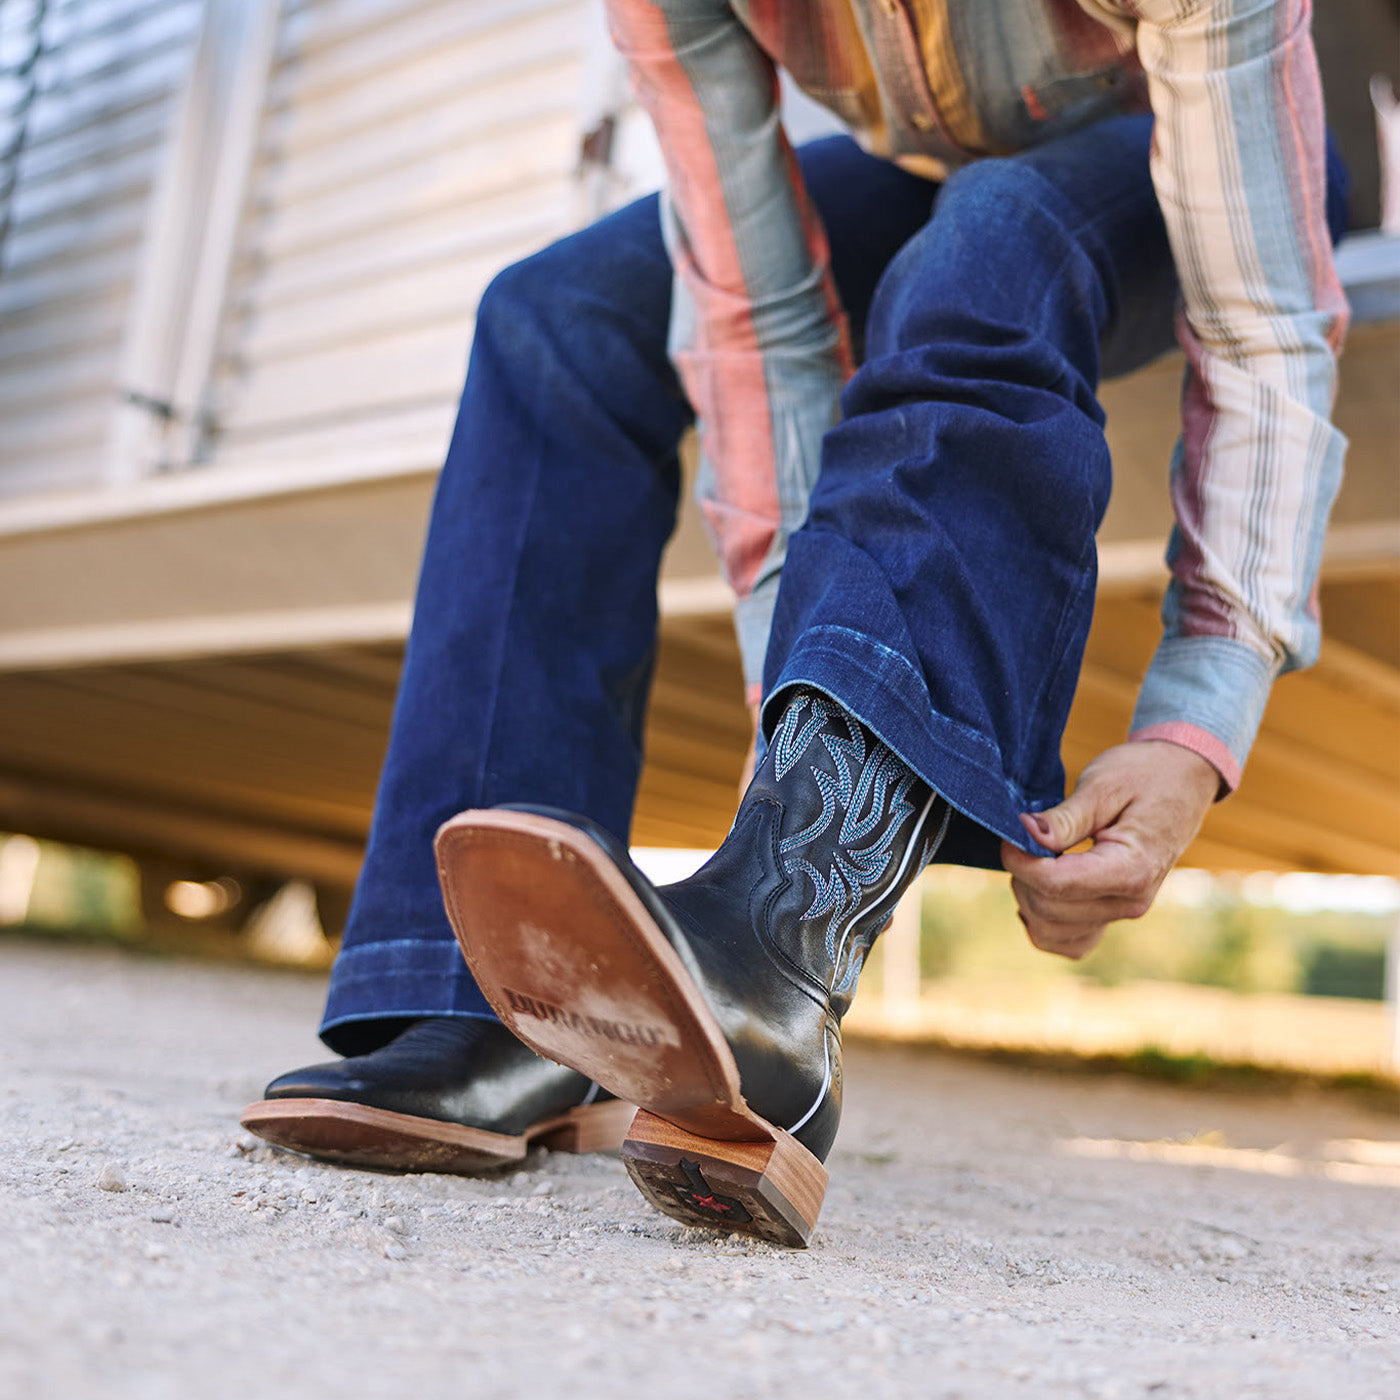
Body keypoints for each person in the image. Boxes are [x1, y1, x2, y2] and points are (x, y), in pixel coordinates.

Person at [243, 0, 1348, 1242]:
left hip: (1188, 160)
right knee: (556, 314)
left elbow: (1261, 328)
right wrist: (808, 669)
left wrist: (1199, 713)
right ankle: (496, 1004)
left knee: (988, 243)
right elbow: (755, 320)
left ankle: (779, 967)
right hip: (941, 173)